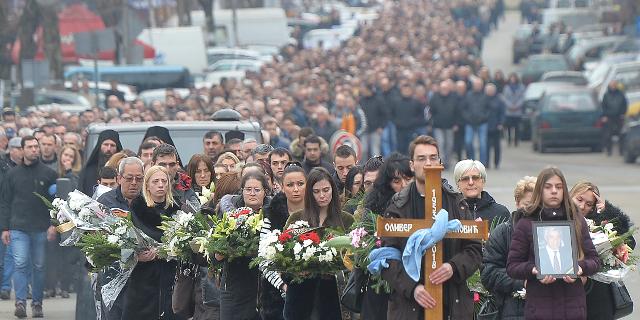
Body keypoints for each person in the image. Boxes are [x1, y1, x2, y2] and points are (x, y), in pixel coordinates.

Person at [380, 135, 481, 319]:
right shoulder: (398, 206)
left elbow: (474, 248)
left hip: (452, 305)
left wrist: (453, 267)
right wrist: (413, 288)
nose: (428, 163)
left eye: (433, 157)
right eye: (421, 158)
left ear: (440, 161)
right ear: (412, 165)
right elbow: (387, 257)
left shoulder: (456, 202)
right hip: (410, 306)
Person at [507, 167, 600, 320]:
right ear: (540, 190)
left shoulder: (577, 220)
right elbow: (512, 266)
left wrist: (580, 268)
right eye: (548, 187)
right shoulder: (526, 223)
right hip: (540, 309)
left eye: (559, 187)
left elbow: (595, 261)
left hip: (573, 308)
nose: (554, 191)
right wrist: (534, 270)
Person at [284, 167, 354, 320]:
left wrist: (337, 270)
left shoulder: (347, 220)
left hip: (334, 299)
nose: (322, 195)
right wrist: (297, 271)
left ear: (333, 190)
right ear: (310, 193)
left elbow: (355, 261)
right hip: (300, 298)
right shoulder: (297, 218)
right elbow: (283, 259)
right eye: (316, 191)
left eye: (326, 190)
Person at [0, 136, 58, 318]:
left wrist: (53, 225)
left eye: (36, 146)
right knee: (20, 264)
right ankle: (20, 302)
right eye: (30, 147)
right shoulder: (12, 174)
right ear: (22, 149)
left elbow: (56, 203)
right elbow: (5, 202)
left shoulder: (49, 174)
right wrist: (5, 228)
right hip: (18, 227)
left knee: (39, 266)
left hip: (41, 227)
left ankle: (37, 303)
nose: (34, 149)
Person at [569, 181, 635, 320]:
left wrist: (607, 211)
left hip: (598, 299)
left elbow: (629, 243)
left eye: (589, 204)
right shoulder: (555, 219)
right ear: (570, 197)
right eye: (579, 199)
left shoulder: (599, 224)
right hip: (566, 296)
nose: (582, 206)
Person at [123, 166, 180, 320]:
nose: (160, 185)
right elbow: (124, 245)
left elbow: (184, 243)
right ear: (147, 185)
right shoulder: (136, 208)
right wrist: (137, 256)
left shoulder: (178, 209)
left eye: (164, 181)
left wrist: (164, 251)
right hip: (142, 277)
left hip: (170, 274)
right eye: (155, 181)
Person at [215, 172, 271, 320]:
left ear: (265, 192)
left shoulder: (273, 215)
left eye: (257, 190)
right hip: (235, 288)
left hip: (266, 288)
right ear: (242, 191)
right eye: (248, 189)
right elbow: (215, 252)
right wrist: (219, 254)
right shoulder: (229, 215)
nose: (252, 193)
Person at [481, 176, 536, 320]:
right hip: (511, 311)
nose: (532, 209)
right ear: (517, 203)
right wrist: (522, 282)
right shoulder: (502, 233)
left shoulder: (552, 232)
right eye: (527, 204)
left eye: (537, 204)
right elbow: (489, 274)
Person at [259, 162, 306, 320]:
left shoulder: (316, 214)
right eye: (290, 184)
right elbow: (263, 260)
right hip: (276, 298)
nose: (296, 189)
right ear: (281, 186)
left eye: (300, 184)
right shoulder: (270, 216)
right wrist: (283, 285)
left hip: (313, 294)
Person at [150, 144, 199, 210]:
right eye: (162, 164)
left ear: (177, 165)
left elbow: (199, 218)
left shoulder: (187, 194)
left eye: (172, 164)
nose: (167, 169)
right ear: (152, 165)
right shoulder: (142, 191)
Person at [78, 130, 122, 195]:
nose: (109, 149)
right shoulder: (88, 171)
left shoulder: (122, 170)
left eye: (112, 145)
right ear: (100, 146)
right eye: (106, 145)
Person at [429, 80, 459, 168]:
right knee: (440, 143)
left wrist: (456, 124)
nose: (444, 90)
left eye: (446, 88)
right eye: (442, 88)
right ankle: (442, 162)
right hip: (438, 125)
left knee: (449, 144)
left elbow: (457, 112)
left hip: (450, 125)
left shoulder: (453, 98)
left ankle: (448, 161)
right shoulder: (434, 97)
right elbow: (431, 111)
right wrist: (431, 123)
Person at [601, 80, 628, 156]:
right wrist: (604, 116)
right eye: (612, 85)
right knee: (608, 135)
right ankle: (609, 151)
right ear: (609, 86)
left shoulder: (621, 94)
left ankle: (621, 151)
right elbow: (603, 106)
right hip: (609, 117)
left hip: (619, 117)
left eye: (614, 85)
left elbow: (624, 105)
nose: (613, 86)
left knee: (621, 134)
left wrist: (623, 114)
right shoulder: (606, 95)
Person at [501, 73, 525, 147]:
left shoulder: (521, 87)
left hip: (517, 110)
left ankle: (516, 141)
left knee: (517, 127)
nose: (513, 79)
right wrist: (510, 105)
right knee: (508, 126)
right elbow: (504, 98)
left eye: (514, 78)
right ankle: (509, 140)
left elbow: (522, 97)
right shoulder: (506, 87)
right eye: (511, 78)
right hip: (509, 110)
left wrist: (517, 105)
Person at [486, 83, 506, 169]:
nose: (490, 92)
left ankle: (496, 163)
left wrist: (501, 123)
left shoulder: (499, 100)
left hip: (496, 126)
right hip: (486, 125)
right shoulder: (484, 99)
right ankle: (486, 162)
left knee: (497, 146)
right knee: (486, 146)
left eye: (491, 90)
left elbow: (502, 113)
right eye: (488, 90)